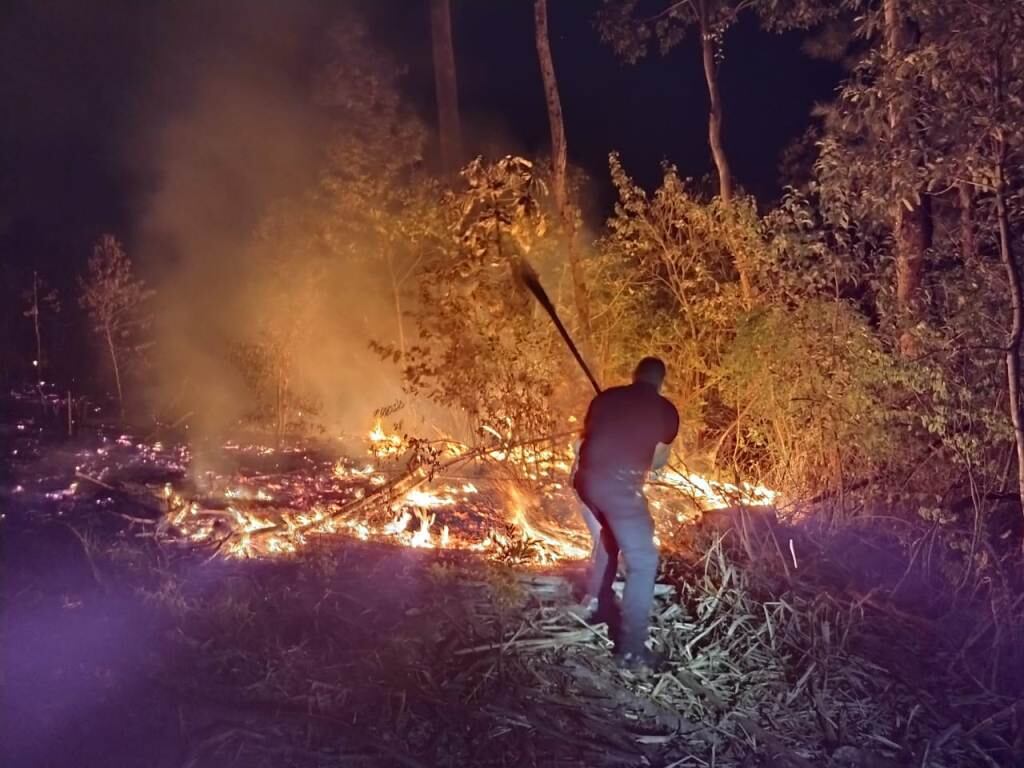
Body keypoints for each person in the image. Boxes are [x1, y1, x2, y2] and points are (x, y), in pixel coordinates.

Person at [572, 356, 679, 669]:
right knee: (644, 560)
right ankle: (633, 651)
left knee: (610, 536)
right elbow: (657, 463)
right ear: (661, 382)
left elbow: (587, 438)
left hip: (585, 481)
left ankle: (594, 601)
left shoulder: (605, 397)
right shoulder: (666, 411)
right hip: (620, 488)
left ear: (634, 375)